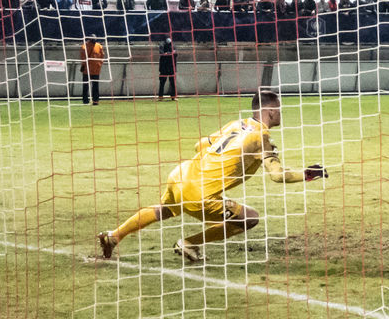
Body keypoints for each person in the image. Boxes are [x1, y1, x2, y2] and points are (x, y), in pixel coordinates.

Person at [97, 91, 327, 264]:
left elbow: (199, 145)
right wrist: (310, 173)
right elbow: (277, 175)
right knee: (250, 218)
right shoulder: (261, 137)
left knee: (162, 210)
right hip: (199, 193)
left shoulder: (237, 124)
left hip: (181, 174)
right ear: (271, 111)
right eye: (279, 109)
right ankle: (189, 243)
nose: (281, 113)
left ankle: (114, 236)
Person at [79, 37, 104, 105]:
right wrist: (99, 65)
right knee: (94, 86)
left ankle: (86, 100)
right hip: (94, 70)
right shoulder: (99, 46)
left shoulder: (84, 46)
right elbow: (102, 56)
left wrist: (83, 65)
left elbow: (82, 57)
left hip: (88, 70)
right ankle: (95, 100)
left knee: (86, 86)